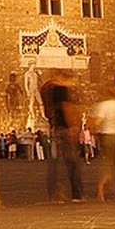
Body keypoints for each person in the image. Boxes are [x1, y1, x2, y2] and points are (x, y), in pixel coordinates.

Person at [42, 70, 83, 202]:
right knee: (71, 162)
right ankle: (76, 194)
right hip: (64, 129)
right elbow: (66, 108)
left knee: (54, 163)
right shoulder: (61, 90)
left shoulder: (47, 90)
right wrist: (72, 126)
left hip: (55, 127)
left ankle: (54, 193)